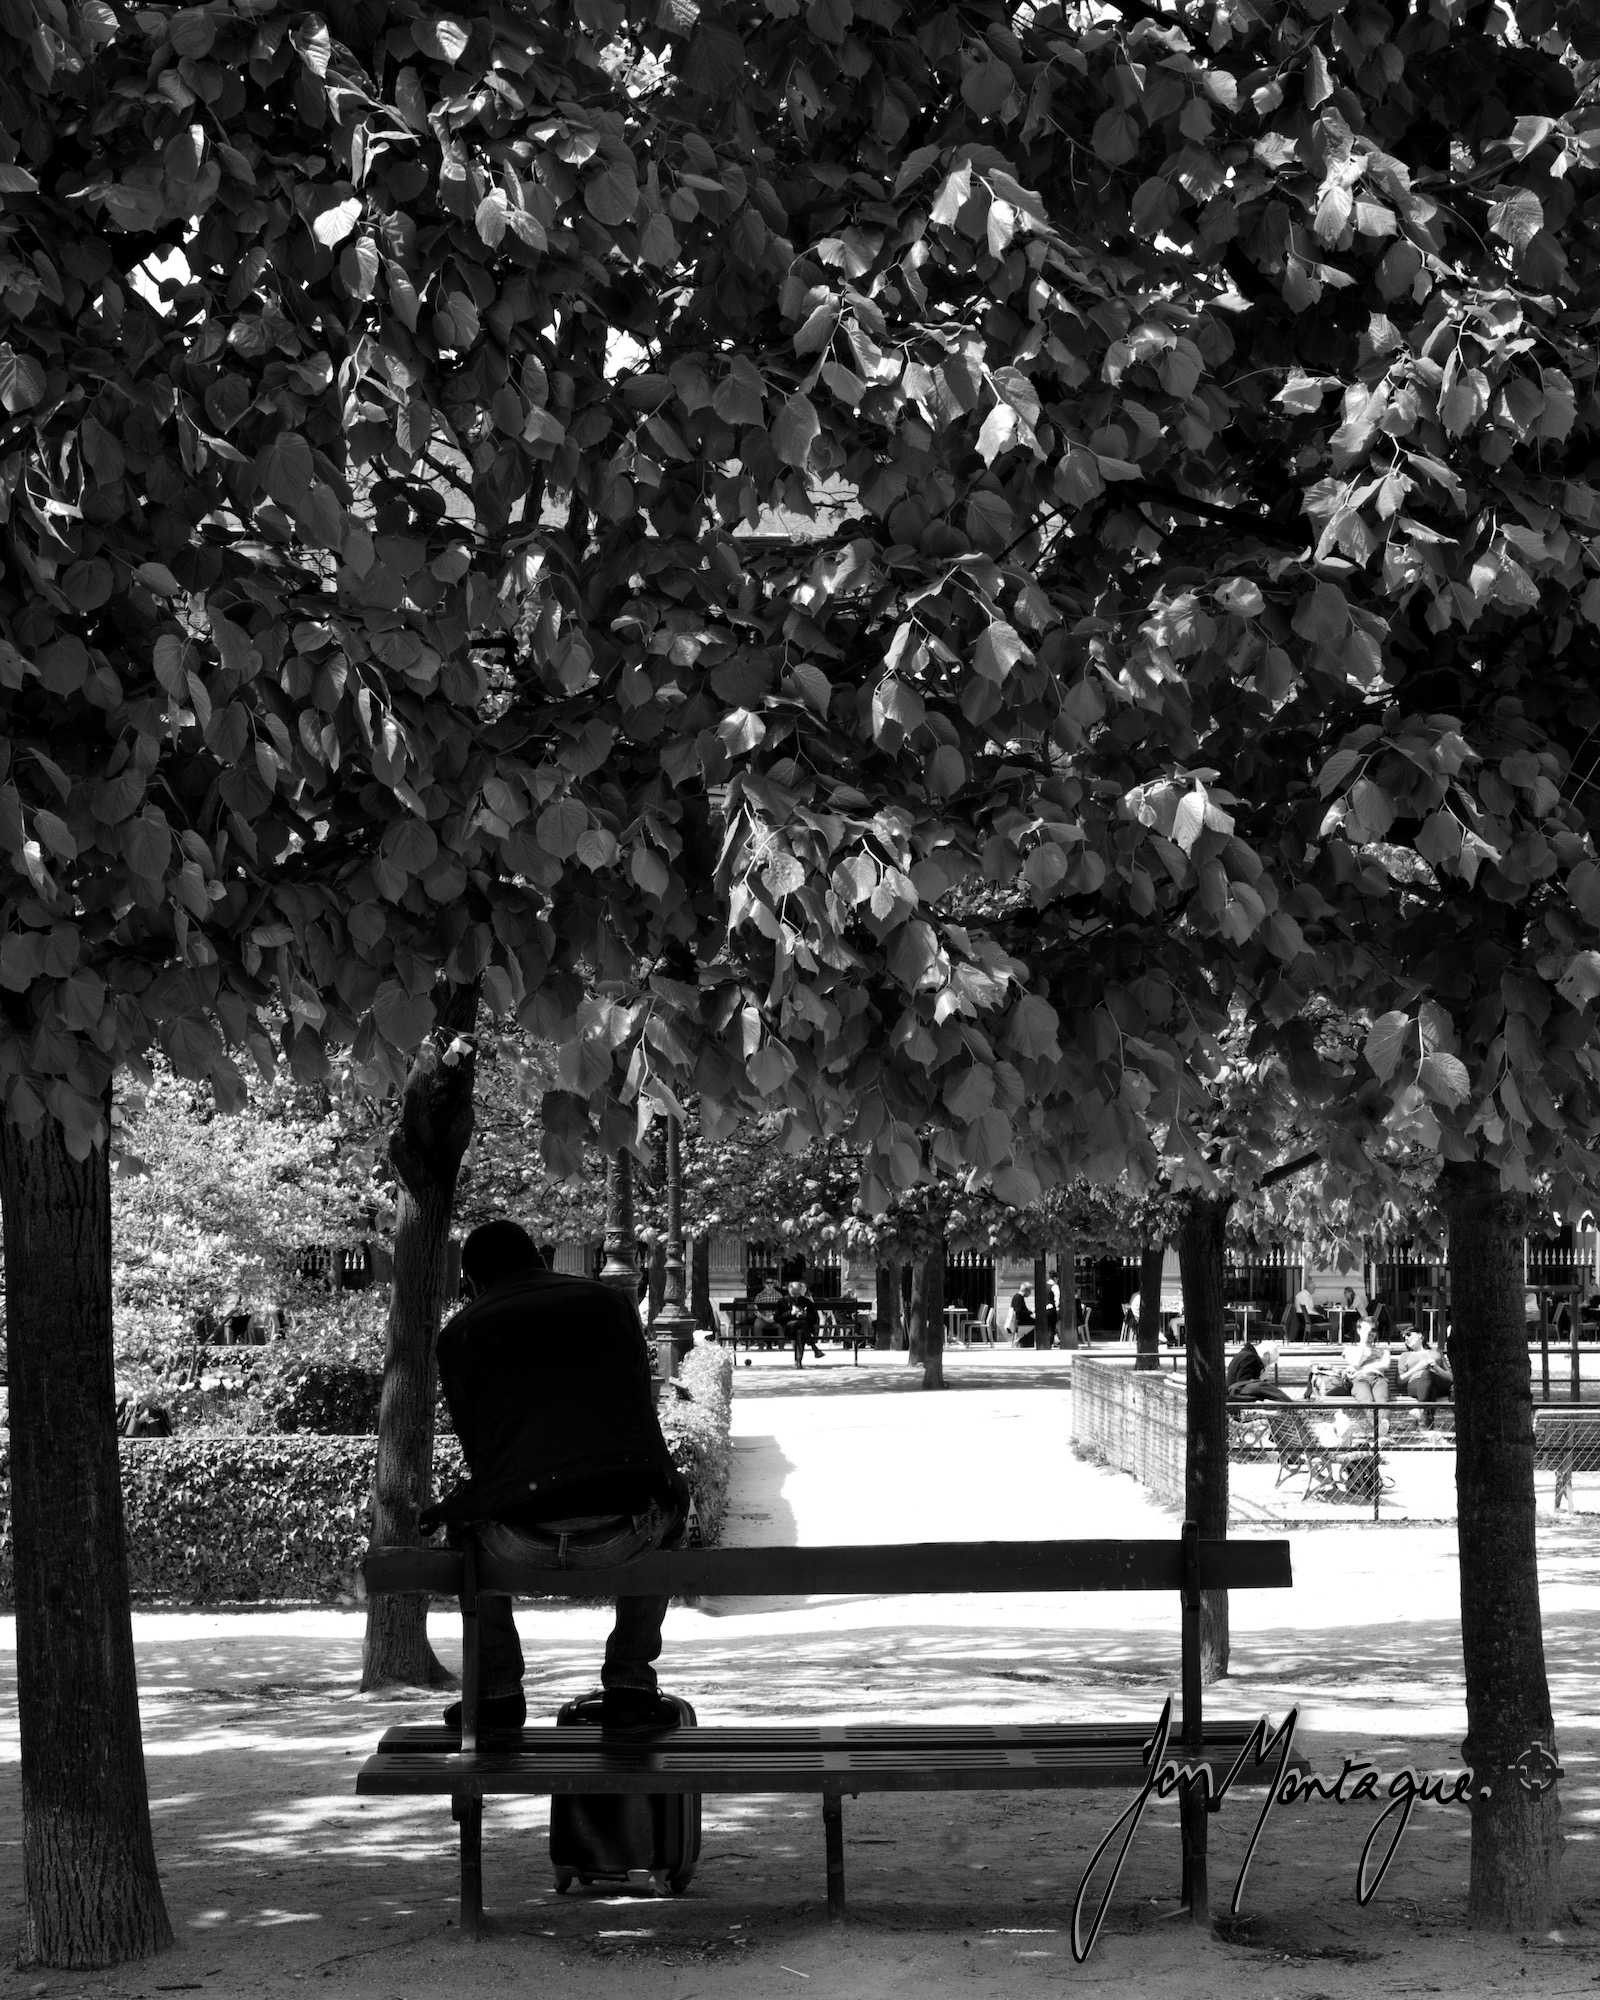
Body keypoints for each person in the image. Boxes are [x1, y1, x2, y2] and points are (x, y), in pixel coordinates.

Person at [420, 1220, 691, 1738]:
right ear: (541, 1261)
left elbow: (480, 1452)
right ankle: (631, 1685)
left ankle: (497, 1692)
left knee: (465, 1531)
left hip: (517, 1537)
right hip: (624, 1527)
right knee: (671, 1516)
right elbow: (640, 1412)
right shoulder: (610, 1304)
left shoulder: (461, 1332)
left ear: (474, 1282)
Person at [1225, 1336, 1294, 1403]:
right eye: (1268, 1362)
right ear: (1265, 1354)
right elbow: (1244, 1385)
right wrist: (1259, 1380)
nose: (1266, 1365)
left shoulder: (1245, 1355)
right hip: (1235, 1398)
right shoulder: (1251, 1359)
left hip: (1232, 1396)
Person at [1397, 1329, 1452, 1404]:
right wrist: (1417, 1368)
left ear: (1420, 1335)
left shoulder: (1436, 1353)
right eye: (1404, 1338)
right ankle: (1426, 1414)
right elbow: (1400, 1381)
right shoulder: (1405, 1356)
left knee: (1427, 1373)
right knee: (1432, 1391)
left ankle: (1420, 1408)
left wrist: (1436, 1367)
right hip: (1415, 1384)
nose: (1406, 1338)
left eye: (1408, 1334)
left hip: (1437, 1381)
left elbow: (1451, 1378)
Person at [781, 1277, 822, 1367]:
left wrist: (806, 1315)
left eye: (798, 1293)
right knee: (802, 1325)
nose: (796, 1296)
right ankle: (814, 1348)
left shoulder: (806, 1301)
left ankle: (798, 1362)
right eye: (793, 1293)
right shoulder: (783, 1301)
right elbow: (778, 1318)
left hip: (804, 1329)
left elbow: (814, 1319)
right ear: (789, 1290)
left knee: (800, 1332)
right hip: (788, 1327)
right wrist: (790, 1313)